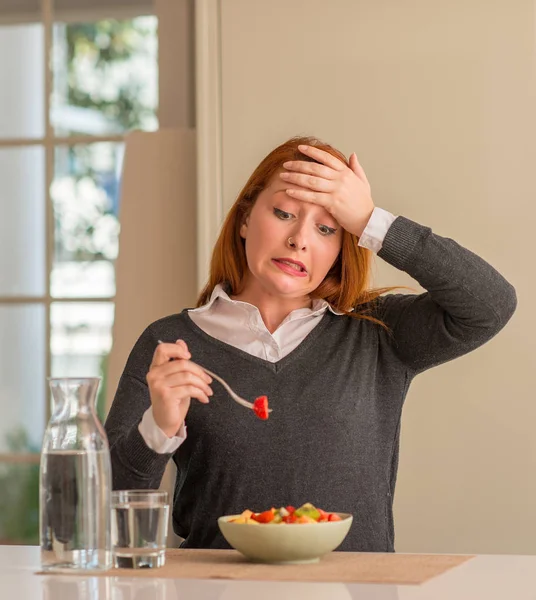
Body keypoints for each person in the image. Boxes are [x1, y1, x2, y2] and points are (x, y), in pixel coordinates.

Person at [105, 136, 517, 552]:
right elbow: (103, 507)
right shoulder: (170, 343)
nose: (300, 239)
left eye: (326, 228)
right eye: (284, 213)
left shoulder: (376, 332)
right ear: (245, 219)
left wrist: (373, 221)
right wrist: (158, 429)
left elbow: (491, 304)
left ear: (343, 246)